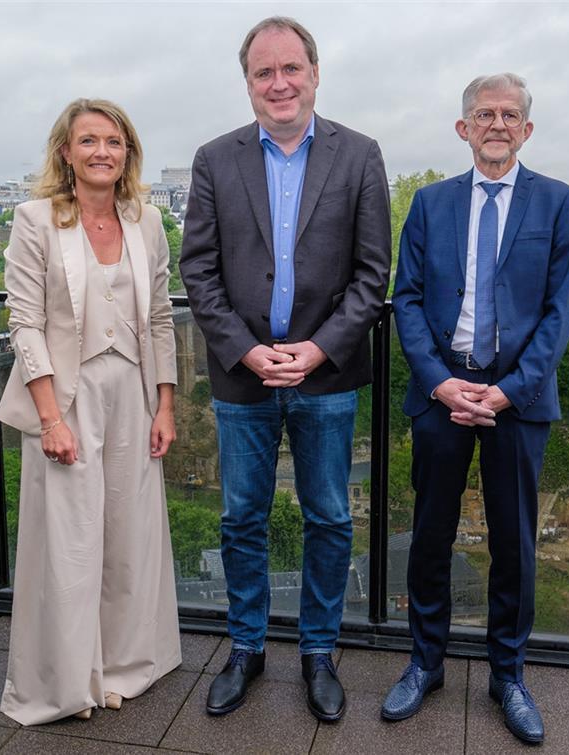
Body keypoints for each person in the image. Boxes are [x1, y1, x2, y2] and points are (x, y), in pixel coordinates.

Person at [180, 16, 390, 722]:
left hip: (325, 379)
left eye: (290, 68)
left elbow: (371, 276)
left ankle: (317, 651)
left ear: (315, 72)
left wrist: (317, 348)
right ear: (247, 83)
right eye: (264, 72)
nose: (279, 83)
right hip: (243, 380)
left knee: (329, 517)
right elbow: (199, 273)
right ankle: (245, 648)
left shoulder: (360, 156)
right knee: (242, 517)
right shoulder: (214, 159)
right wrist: (246, 349)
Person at [384, 73, 569, 744]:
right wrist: (440, 382)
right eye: (483, 114)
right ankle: (425, 662)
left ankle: (508, 674)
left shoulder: (558, 203)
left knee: (514, 544)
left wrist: (509, 388)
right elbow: (405, 298)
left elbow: (559, 313)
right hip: (443, 392)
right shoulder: (430, 203)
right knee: (430, 534)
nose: (496, 124)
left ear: (526, 130)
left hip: (516, 401)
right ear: (463, 128)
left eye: (509, 114)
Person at [0, 98, 181, 725]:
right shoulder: (34, 219)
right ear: (65, 151)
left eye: (114, 141)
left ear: (127, 153)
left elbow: (159, 318)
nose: (102, 151)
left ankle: (125, 666)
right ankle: (70, 679)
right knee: (71, 543)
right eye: (89, 140)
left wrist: (166, 405)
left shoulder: (146, 221)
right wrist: (50, 418)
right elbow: (23, 324)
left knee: (129, 535)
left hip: (131, 392)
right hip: (66, 397)